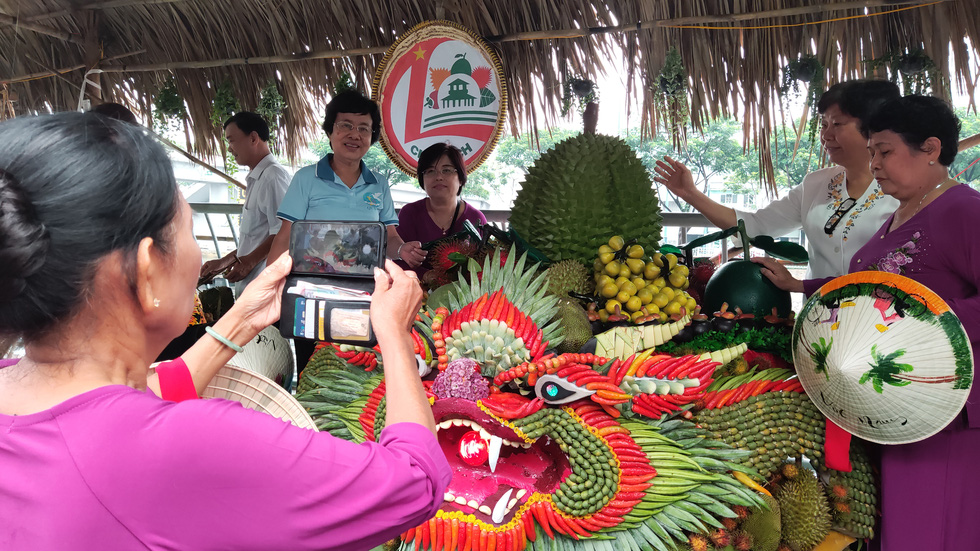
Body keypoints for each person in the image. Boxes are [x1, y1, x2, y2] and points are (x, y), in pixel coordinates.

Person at [0, 112, 451, 550]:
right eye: (190, 232)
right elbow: (416, 479)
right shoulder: (196, 442)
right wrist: (393, 334)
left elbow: (132, 401)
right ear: (148, 269)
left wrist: (241, 318)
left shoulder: (20, 387)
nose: (201, 257)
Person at [757, 95, 980, 549]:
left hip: (942, 410)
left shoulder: (963, 211)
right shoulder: (904, 210)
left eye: (885, 151)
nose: (874, 163)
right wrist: (803, 287)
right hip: (892, 403)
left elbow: (897, 300)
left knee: (927, 530)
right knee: (895, 528)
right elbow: (871, 287)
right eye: (872, 151)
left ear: (932, 149)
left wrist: (922, 322)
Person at [653, 80, 901, 279]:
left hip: (881, 325)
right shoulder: (815, 184)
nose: (825, 135)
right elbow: (754, 228)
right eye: (823, 124)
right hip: (818, 323)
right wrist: (690, 194)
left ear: (873, 127)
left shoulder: (905, 190)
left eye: (836, 124)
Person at [268, 90, 423, 370]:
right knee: (312, 365)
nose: (355, 134)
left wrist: (402, 249)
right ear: (330, 131)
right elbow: (285, 236)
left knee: (357, 367)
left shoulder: (379, 183)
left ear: (371, 137)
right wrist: (270, 287)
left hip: (364, 295)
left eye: (364, 128)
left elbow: (387, 238)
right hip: (311, 292)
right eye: (346, 125)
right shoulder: (306, 178)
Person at [200, 112, 291, 295]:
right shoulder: (258, 177)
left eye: (231, 140)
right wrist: (224, 262)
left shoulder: (273, 176)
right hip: (250, 288)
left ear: (253, 138)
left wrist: (248, 263)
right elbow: (255, 238)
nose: (230, 148)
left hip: (264, 290)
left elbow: (284, 232)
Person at [397, 142, 488, 277]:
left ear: (461, 178)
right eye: (430, 171)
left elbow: (483, 266)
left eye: (446, 170)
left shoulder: (476, 218)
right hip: (417, 292)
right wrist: (429, 277)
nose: (438, 177)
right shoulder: (409, 213)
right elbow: (399, 262)